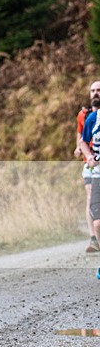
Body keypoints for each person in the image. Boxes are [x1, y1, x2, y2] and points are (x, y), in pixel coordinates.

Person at [75, 81, 100, 253]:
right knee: (90, 194)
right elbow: (81, 138)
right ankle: (93, 237)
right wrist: (83, 151)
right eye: (93, 90)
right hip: (91, 163)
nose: (95, 93)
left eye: (98, 90)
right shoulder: (84, 115)